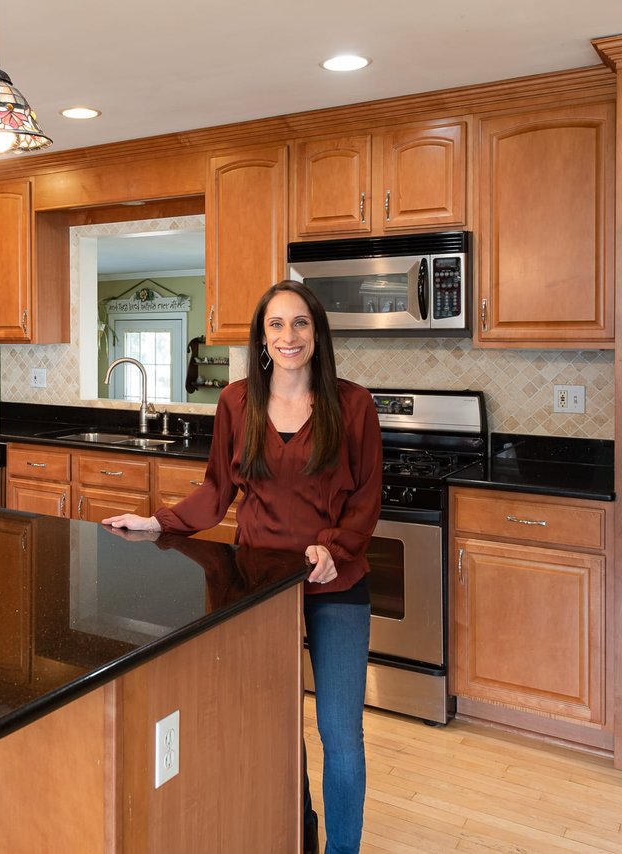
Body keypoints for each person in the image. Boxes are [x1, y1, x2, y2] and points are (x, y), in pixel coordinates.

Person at [102, 280, 382, 854]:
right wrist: (159, 522)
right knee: (277, 728)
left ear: (318, 334)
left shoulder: (354, 405)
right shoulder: (235, 403)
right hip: (259, 589)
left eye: (299, 323)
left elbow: (367, 500)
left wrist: (333, 548)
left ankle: (343, 850)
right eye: (276, 324)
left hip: (337, 583)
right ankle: (297, 833)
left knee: (340, 736)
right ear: (260, 337)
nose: (288, 335)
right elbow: (216, 489)